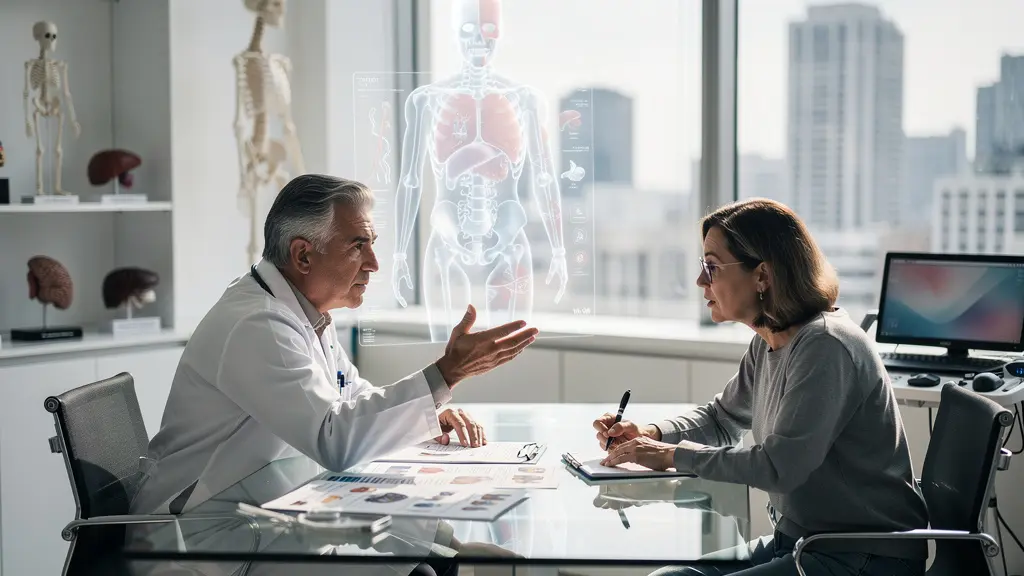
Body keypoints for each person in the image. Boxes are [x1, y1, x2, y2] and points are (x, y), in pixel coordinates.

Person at [131, 174, 539, 517]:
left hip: (258, 508)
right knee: (415, 551)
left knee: (421, 548)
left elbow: (352, 398)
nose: (374, 263)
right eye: (358, 245)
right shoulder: (258, 324)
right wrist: (448, 373)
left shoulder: (301, 313)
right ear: (303, 256)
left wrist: (429, 411)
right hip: (192, 531)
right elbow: (335, 441)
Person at [592, 199, 929, 576]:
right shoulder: (771, 339)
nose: (701, 281)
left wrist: (669, 455)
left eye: (712, 267)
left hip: (862, 556)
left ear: (762, 276)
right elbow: (723, 419)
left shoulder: (825, 346)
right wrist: (652, 435)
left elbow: (778, 467)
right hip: (803, 542)